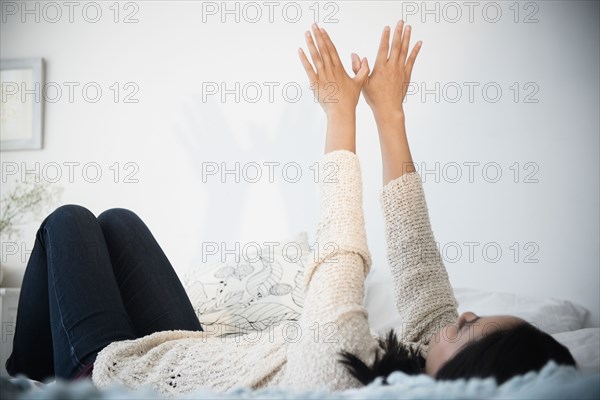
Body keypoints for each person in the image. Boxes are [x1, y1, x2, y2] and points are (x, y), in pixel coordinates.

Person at [6, 21, 575, 396]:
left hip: (124, 376)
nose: (463, 316)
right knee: (119, 223)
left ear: (464, 377)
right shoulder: (427, 355)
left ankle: (28, 379)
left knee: (70, 222)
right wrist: (389, 116)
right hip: (193, 351)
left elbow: (338, 259)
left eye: (470, 329)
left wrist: (338, 113)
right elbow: (417, 261)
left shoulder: (339, 378)